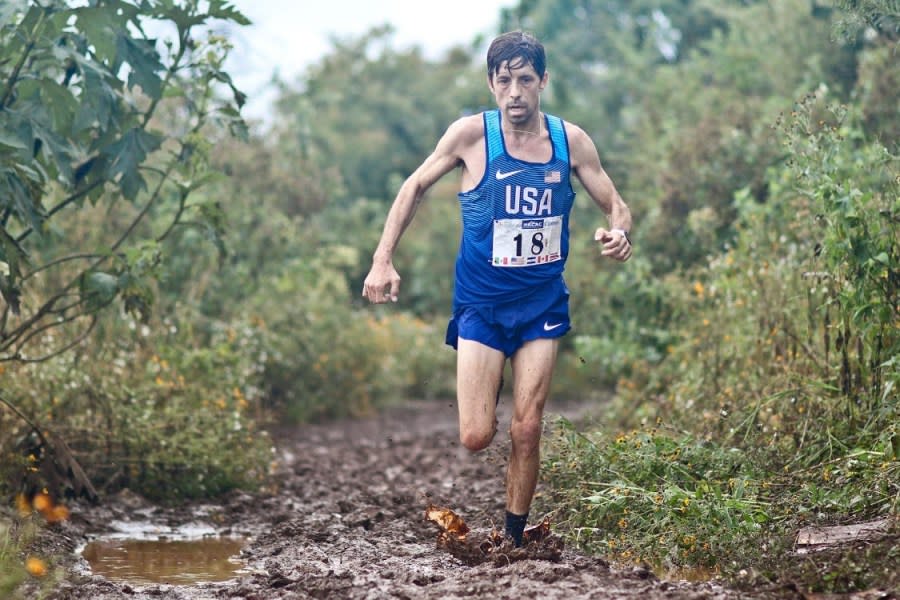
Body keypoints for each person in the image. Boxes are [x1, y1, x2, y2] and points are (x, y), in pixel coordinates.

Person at [361, 30, 632, 546]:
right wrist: (383, 259)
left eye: (525, 80)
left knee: (527, 428)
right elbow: (414, 185)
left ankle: (512, 538)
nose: (515, 93)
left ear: (543, 82)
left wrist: (619, 232)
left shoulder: (570, 141)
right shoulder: (469, 135)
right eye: (504, 81)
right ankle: (488, 377)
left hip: (541, 303)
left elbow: (615, 204)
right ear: (491, 84)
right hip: (482, 305)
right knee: (475, 436)